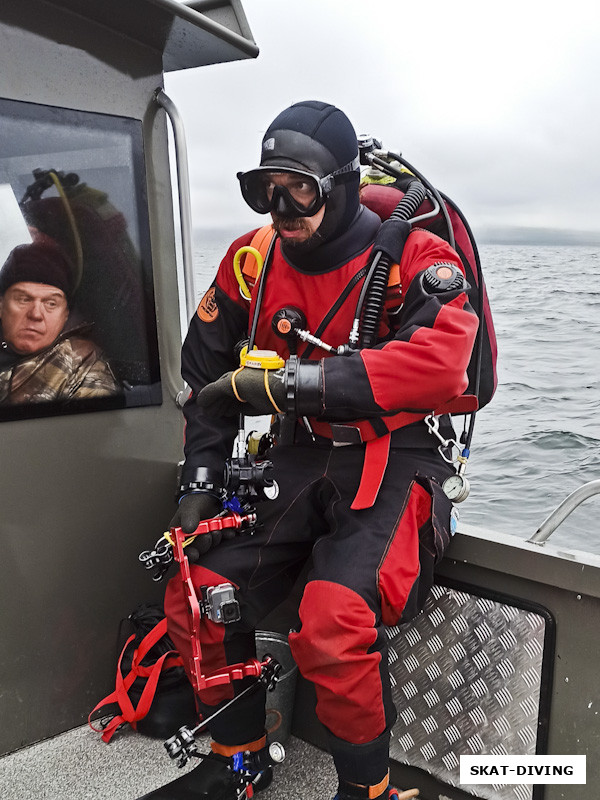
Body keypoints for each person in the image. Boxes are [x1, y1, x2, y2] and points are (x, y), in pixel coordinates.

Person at [157, 101, 479, 800]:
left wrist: (288, 384)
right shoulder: (252, 260)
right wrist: (199, 483)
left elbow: (441, 366)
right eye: (264, 188)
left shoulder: (417, 257)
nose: (280, 207)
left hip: (396, 452)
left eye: (298, 188)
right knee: (201, 588)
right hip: (302, 455)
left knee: (332, 622)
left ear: (339, 183)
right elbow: (203, 376)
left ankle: (367, 790)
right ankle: (238, 757)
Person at [0, 240, 121, 404]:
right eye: (23, 299)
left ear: (65, 315)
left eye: (51, 304)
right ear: (1, 306)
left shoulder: (83, 367)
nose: (36, 314)